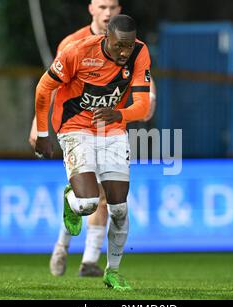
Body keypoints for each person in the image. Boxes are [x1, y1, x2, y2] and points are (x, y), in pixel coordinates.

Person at [29, 0, 157, 278]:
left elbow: (144, 104)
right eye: (102, 6)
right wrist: (39, 130)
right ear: (91, 9)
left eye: (112, 6)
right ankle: (64, 236)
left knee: (115, 206)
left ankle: (96, 264)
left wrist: (121, 113)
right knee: (88, 201)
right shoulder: (74, 46)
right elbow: (47, 87)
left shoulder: (137, 50)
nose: (107, 11)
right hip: (75, 127)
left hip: (111, 132)